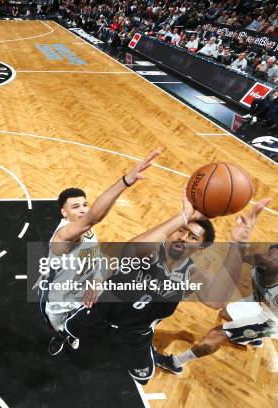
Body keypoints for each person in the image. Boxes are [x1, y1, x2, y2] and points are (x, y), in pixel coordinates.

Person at [63, 189, 270, 384]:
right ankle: (67, 335)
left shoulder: (192, 274)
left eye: (193, 237)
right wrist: (183, 215)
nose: (183, 238)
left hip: (135, 334)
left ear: (200, 248)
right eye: (182, 230)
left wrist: (238, 245)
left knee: (143, 378)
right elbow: (127, 251)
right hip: (98, 314)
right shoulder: (151, 251)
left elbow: (216, 301)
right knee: (69, 333)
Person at [37, 149, 161, 355]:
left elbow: (96, 258)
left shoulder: (87, 232)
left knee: (77, 327)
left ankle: (70, 334)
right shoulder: (64, 235)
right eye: (75, 207)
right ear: (63, 212)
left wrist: (96, 282)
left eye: (85, 205)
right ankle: (60, 336)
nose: (83, 210)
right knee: (59, 327)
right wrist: (125, 181)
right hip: (58, 300)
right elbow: (93, 217)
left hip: (83, 295)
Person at [155, 244, 278, 374]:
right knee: (225, 313)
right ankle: (252, 338)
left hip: (270, 321)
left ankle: (176, 362)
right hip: (260, 302)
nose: (268, 259)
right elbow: (253, 258)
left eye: (275, 260)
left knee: (217, 334)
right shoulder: (264, 263)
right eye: (269, 255)